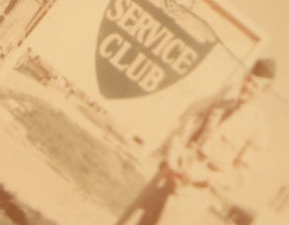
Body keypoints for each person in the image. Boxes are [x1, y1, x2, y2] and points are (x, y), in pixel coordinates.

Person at [116, 57, 277, 225]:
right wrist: (172, 157)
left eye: (255, 86)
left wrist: (203, 177)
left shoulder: (258, 129)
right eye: (248, 81)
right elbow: (185, 126)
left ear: (263, 91)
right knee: (134, 220)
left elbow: (238, 176)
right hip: (172, 172)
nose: (248, 87)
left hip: (196, 192)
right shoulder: (219, 102)